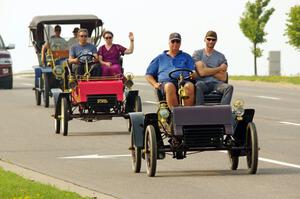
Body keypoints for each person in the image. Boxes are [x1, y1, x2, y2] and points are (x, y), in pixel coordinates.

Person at [145, 32, 195, 110]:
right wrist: (155, 84)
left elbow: (193, 71)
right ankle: (174, 114)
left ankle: (187, 113)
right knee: (169, 86)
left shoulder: (186, 56)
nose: (175, 43)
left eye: (177, 41)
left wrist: (193, 74)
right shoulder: (160, 58)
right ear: (169, 43)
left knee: (190, 86)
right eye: (173, 41)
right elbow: (148, 74)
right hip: (166, 83)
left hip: (184, 81)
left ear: (180, 43)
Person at [193, 30, 233, 105]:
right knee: (198, 85)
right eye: (208, 39)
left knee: (229, 87)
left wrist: (206, 70)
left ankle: (223, 112)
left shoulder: (221, 56)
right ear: (204, 39)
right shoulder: (197, 54)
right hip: (203, 83)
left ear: (216, 41)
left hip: (216, 84)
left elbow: (223, 78)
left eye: (213, 39)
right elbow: (202, 73)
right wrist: (219, 69)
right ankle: (200, 111)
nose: (211, 41)